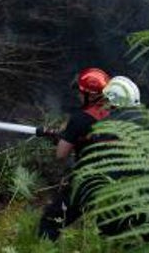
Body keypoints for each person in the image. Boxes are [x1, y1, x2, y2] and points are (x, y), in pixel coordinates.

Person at [35, 67, 112, 240]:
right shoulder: (115, 113)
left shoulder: (80, 118)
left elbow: (61, 155)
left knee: (51, 220)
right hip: (117, 180)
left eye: (80, 92)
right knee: (111, 229)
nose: (78, 95)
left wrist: (60, 139)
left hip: (88, 181)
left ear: (91, 95)